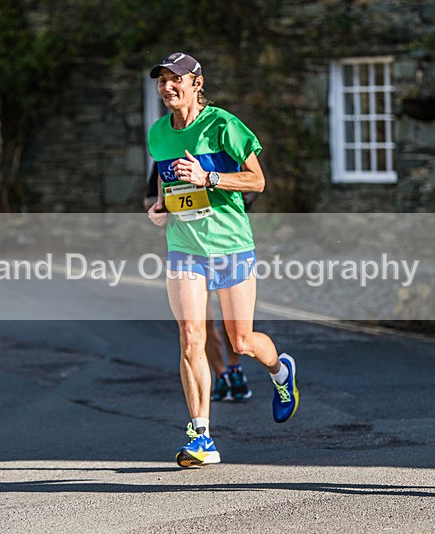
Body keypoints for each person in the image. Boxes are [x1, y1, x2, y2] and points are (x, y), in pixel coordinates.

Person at [146, 52, 298, 467]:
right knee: (191, 337)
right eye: (161, 81)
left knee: (241, 342)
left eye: (175, 79)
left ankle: (280, 371)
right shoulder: (158, 133)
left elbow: (258, 181)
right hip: (184, 247)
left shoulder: (224, 125)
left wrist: (209, 177)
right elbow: (168, 185)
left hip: (231, 245)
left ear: (197, 82)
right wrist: (160, 209)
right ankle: (201, 436)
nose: (167, 87)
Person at [145, 164, 253, 403]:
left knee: (232, 321)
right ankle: (220, 374)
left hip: (226, 243)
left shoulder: (219, 145)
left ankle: (235, 369)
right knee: (200, 323)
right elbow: (152, 199)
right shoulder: (165, 152)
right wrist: (159, 210)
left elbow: (251, 184)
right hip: (189, 247)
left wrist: (217, 185)